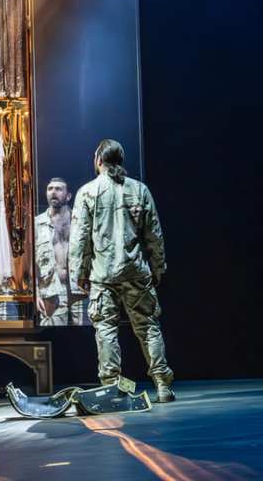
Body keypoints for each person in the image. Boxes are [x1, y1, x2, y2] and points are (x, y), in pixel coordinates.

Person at [69, 139, 175, 402]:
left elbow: (80, 238)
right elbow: (154, 235)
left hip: (103, 275)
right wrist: (158, 267)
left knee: (105, 329)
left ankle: (112, 387)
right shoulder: (139, 191)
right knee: (148, 326)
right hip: (136, 272)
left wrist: (79, 273)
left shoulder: (88, 192)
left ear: (98, 161)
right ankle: (162, 385)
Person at [35, 178, 85, 325]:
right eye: (50, 189)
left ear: (68, 196)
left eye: (58, 189)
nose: (53, 192)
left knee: (87, 338)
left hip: (80, 290)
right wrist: (35, 293)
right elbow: (30, 262)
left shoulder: (80, 222)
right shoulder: (37, 223)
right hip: (52, 290)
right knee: (53, 338)